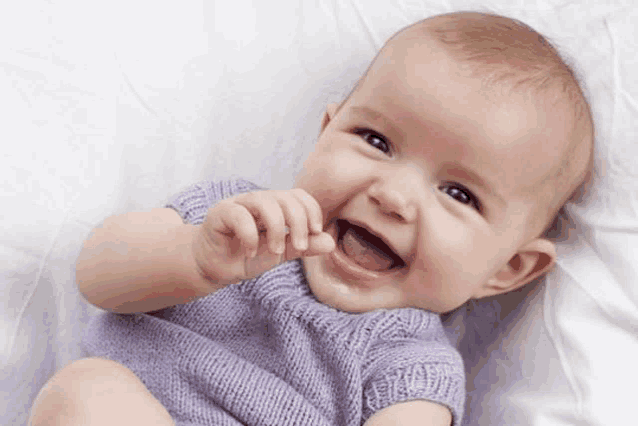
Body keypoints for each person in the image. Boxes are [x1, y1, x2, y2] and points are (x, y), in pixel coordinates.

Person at [29, 11, 593, 426]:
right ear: (325, 134)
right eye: (375, 140)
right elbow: (97, 277)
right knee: (89, 393)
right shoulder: (235, 223)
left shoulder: (412, 365)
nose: (393, 195)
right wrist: (194, 256)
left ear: (509, 268)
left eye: (459, 194)